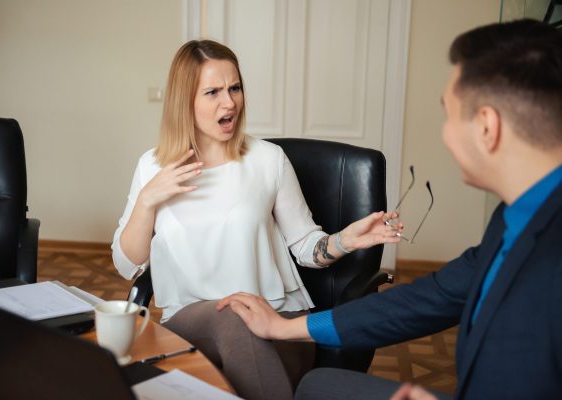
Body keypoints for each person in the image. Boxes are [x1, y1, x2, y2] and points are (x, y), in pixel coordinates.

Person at [218, 19, 562, 400]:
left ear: (487, 127)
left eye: (448, 114)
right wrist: (286, 328)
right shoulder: (511, 218)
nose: (444, 133)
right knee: (318, 386)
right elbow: (429, 299)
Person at [111, 39, 401, 400]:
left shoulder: (268, 160)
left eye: (235, 88)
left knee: (229, 353)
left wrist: (345, 240)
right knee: (232, 314)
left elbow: (306, 246)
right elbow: (127, 264)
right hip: (191, 323)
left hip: (278, 323)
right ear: (184, 100)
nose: (229, 102)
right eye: (213, 92)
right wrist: (147, 199)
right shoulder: (152, 166)